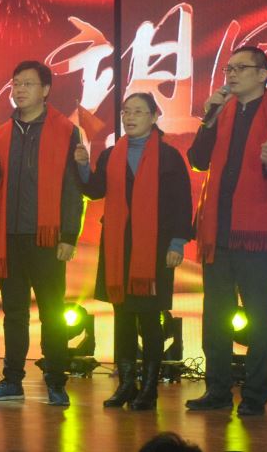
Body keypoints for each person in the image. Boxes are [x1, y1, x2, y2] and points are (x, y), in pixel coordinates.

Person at [185, 46, 267, 417]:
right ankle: (217, 390)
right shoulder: (220, 112)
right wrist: (208, 118)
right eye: (229, 68)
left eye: (241, 68)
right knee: (215, 317)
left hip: (258, 238)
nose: (232, 75)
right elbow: (197, 160)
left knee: (260, 318)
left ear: (263, 74)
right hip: (217, 234)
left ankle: (255, 395)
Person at [78, 93, 192, 411]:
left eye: (138, 112)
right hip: (118, 247)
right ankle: (127, 384)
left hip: (155, 248)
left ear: (154, 117)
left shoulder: (169, 157)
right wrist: (83, 165)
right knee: (123, 317)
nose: (129, 117)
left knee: (150, 319)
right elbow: (94, 190)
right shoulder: (111, 154)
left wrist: (177, 243)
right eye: (126, 112)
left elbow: (182, 204)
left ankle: (149, 388)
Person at [0, 61, 85, 406]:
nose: (19, 90)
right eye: (15, 84)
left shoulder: (65, 130)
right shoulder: (1, 133)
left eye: (27, 83)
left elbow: (73, 187)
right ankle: (12, 380)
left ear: (46, 90)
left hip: (47, 237)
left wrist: (68, 235)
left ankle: (56, 381)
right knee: (14, 313)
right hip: (9, 237)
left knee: (52, 312)